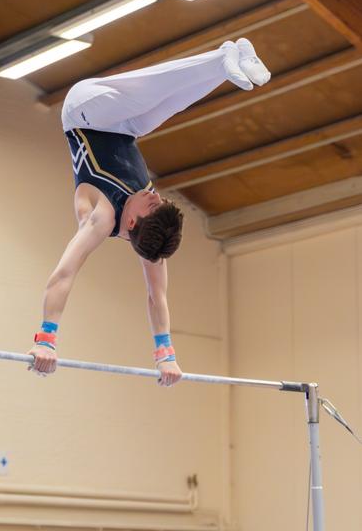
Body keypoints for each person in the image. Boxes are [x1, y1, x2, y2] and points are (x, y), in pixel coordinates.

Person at [27, 38, 270, 387]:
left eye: (152, 202)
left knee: (146, 92)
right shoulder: (152, 236)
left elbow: (62, 276)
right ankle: (227, 62)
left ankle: (221, 60)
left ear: (130, 221)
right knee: (169, 104)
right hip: (125, 129)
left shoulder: (101, 219)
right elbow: (158, 296)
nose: (153, 195)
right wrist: (166, 354)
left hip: (84, 112)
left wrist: (46, 340)